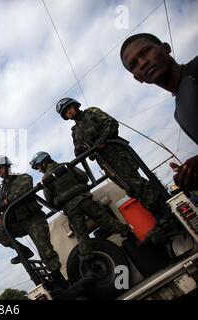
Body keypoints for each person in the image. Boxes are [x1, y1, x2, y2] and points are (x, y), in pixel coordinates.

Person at [55, 97, 173, 234]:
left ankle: (166, 214)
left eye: (69, 108)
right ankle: (159, 218)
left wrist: (101, 141)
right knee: (130, 189)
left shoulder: (91, 112)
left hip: (116, 153)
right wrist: (81, 149)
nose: (68, 112)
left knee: (137, 184)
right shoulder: (75, 131)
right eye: (65, 112)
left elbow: (111, 123)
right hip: (105, 163)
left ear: (75, 106)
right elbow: (78, 151)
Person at [120, 33, 198, 191]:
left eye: (145, 51)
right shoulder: (179, 113)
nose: (142, 63)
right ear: (138, 78)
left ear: (165, 48)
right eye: (134, 64)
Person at [30, 151, 130, 261]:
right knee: (106, 220)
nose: (39, 170)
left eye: (39, 167)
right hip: (85, 200)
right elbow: (84, 177)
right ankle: (130, 234)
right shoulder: (66, 166)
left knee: (81, 235)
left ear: (43, 163)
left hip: (71, 209)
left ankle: (89, 264)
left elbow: (49, 200)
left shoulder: (46, 179)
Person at [0, 155, 61, 272]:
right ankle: (24, 252)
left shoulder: (21, 177)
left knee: (46, 253)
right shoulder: (3, 190)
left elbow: (25, 188)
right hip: (19, 223)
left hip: (33, 219)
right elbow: (4, 208)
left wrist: (7, 201)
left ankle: (58, 275)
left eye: (0, 168)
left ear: (7, 167)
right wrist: (1, 218)